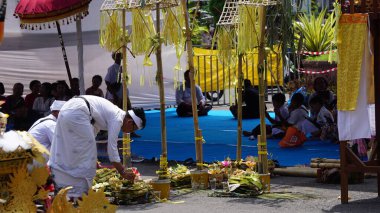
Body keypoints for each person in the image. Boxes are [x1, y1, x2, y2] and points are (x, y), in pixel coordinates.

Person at [48, 95, 146, 198]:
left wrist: (92, 157)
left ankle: (61, 184)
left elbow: (93, 131)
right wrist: (122, 171)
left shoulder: (111, 113)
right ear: (130, 122)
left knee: (69, 150)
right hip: (77, 111)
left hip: (68, 108)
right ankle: (79, 193)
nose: (129, 132)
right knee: (88, 154)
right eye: (132, 130)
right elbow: (112, 148)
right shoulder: (118, 118)